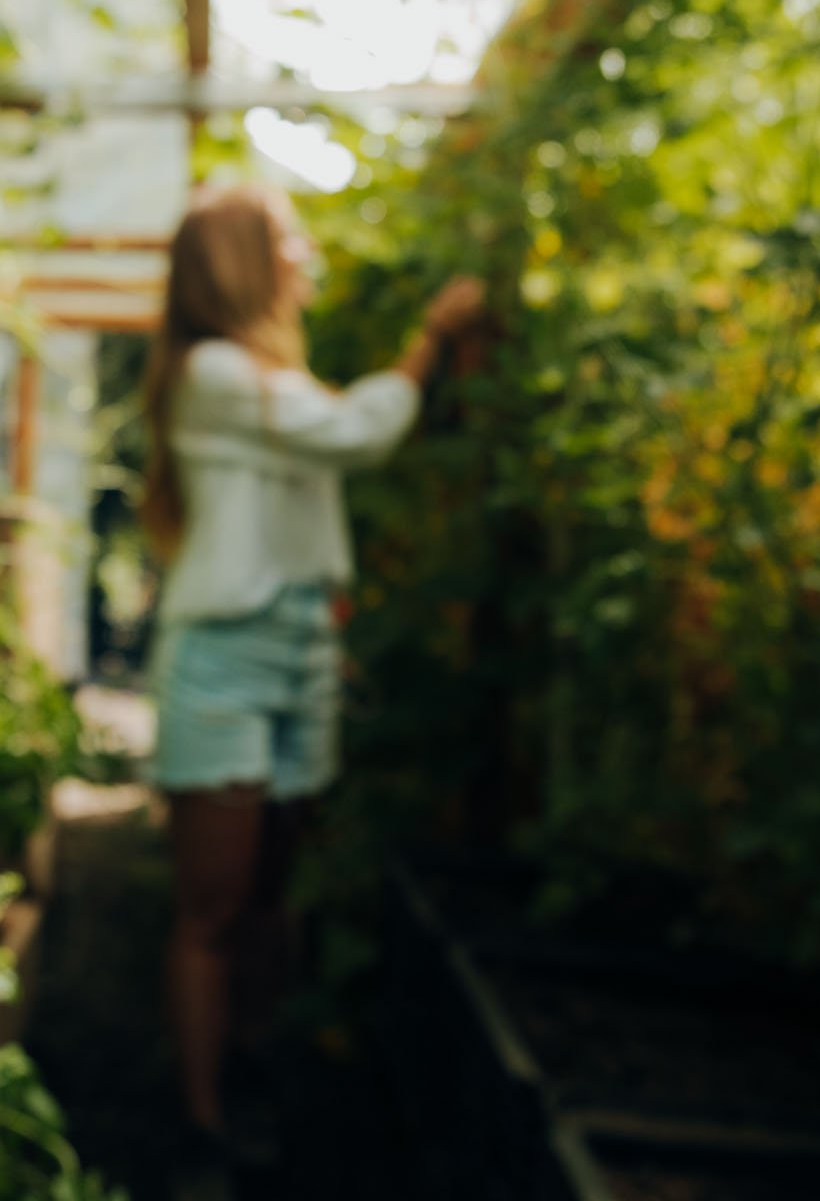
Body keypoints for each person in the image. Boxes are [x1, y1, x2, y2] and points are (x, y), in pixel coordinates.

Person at [139, 183, 484, 1171]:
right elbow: (357, 434)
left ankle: (251, 1073)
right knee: (211, 908)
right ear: (243, 261)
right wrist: (430, 336)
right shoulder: (213, 372)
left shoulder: (263, 375)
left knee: (271, 892)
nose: (304, 251)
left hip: (299, 649)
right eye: (286, 238)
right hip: (227, 655)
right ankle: (201, 1125)